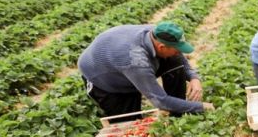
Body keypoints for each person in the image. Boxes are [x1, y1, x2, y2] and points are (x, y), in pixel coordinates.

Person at [79, 21, 212, 119]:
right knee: (128, 125)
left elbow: (179, 58)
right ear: (161, 47)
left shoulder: (156, 32)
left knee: (174, 61)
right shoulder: (137, 62)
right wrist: (201, 107)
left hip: (120, 60)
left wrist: (194, 77)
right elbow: (160, 101)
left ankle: (178, 116)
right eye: (177, 49)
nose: (179, 52)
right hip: (104, 79)